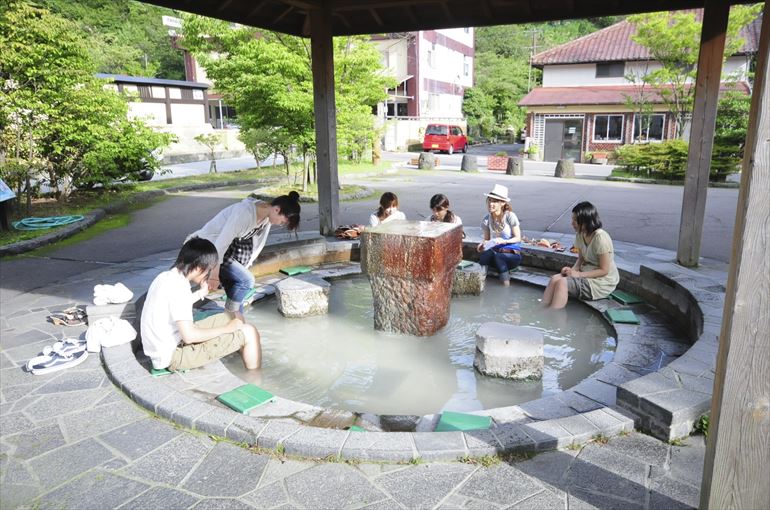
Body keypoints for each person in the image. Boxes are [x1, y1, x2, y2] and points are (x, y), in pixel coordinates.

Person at [141, 237, 261, 371]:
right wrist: (228, 329)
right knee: (250, 332)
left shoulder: (167, 277)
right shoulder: (179, 288)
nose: (208, 274)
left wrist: (199, 294)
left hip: (163, 346)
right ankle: (254, 378)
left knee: (235, 316)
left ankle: (235, 343)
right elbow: (189, 336)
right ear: (199, 268)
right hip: (172, 356)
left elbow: (176, 304)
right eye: (208, 270)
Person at [187, 191, 301, 316]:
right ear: (276, 210)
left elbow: (257, 246)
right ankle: (230, 313)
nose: (281, 224)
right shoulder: (244, 213)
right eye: (283, 221)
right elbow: (221, 244)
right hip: (204, 247)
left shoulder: (266, 219)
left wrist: (243, 268)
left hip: (222, 252)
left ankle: (234, 318)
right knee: (247, 281)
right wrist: (214, 275)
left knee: (238, 292)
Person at [542, 201, 619, 309]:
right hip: (585, 273)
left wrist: (578, 275)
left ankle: (553, 316)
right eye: (572, 219)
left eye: (575, 220)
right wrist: (571, 271)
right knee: (555, 279)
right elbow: (581, 259)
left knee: (562, 283)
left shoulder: (600, 238)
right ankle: (542, 309)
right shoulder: (580, 234)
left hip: (601, 282)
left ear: (586, 221)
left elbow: (604, 270)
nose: (572, 223)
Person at [476, 184, 522, 287]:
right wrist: (482, 246)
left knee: (499, 257)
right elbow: (487, 240)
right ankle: (478, 284)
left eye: (495, 201)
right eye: (490, 200)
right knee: (485, 255)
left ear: (502, 203)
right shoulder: (486, 219)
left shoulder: (510, 216)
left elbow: (518, 238)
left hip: (510, 255)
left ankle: (506, 289)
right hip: (495, 253)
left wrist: (504, 241)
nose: (491, 204)